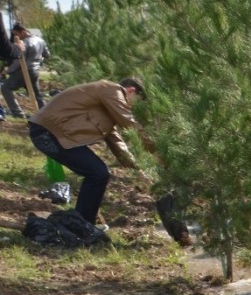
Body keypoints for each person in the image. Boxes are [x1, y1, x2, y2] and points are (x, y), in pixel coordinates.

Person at [27, 78, 152, 227]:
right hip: (49, 133)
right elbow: (129, 124)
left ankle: (83, 223)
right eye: (136, 101)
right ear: (130, 90)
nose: (132, 106)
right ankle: (83, 224)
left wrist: (137, 170)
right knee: (98, 173)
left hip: (50, 133)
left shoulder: (106, 104)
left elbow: (117, 143)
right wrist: (158, 151)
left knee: (98, 173)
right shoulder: (112, 90)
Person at [2, 23, 49, 119]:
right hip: (35, 71)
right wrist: (38, 60)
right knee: (36, 94)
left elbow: (19, 61)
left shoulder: (25, 43)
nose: (16, 37)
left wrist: (7, 71)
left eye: (17, 34)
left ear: (23, 32)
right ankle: (45, 113)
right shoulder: (41, 41)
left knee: (6, 88)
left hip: (24, 71)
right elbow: (47, 55)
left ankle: (17, 112)